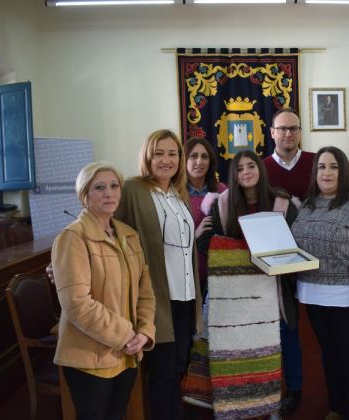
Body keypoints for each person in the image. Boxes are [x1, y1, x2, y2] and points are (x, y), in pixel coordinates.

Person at [197, 150, 301, 419]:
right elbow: (207, 244)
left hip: (275, 287)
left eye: (250, 166)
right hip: (238, 292)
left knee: (285, 336)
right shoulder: (223, 203)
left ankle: (292, 390)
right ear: (234, 175)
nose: (246, 172)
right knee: (244, 342)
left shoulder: (283, 202)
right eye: (240, 168)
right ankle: (245, 392)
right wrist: (203, 237)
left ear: (260, 169)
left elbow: (297, 243)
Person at [51, 161, 156, 420]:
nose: (108, 193)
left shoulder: (128, 234)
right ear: (84, 195)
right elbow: (77, 304)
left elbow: (145, 291)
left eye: (113, 186)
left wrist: (144, 331)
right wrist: (126, 335)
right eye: (99, 187)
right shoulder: (72, 237)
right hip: (90, 356)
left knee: (118, 414)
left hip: (128, 352)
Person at [115, 129, 203, 420]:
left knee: (179, 368)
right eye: (159, 153)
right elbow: (105, 227)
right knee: (162, 372)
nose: (166, 160)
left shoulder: (180, 195)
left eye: (173, 153)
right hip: (156, 300)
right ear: (147, 156)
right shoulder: (132, 189)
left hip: (185, 297)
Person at [291, 146, 349, 420]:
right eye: (321, 167)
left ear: (343, 171)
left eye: (334, 166)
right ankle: (337, 409)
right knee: (330, 356)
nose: (327, 172)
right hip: (314, 296)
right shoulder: (308, 203)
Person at [184, 137, 227, 296]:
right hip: (187, 274)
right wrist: (194, 235)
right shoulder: (174, 195)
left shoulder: (222, 191)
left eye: (204, 156)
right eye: (193, 156)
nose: (199, 161)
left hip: (217, 273)